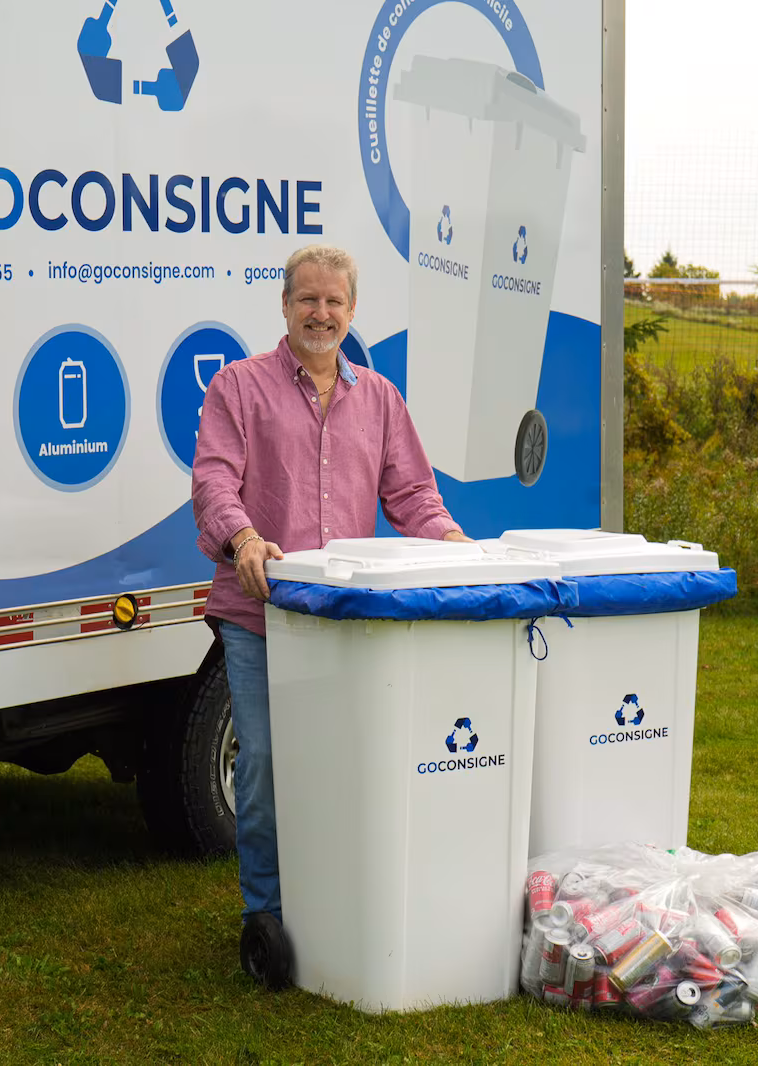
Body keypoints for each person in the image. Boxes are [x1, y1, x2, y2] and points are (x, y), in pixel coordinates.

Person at [191, 243, 471, 983]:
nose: (321, 313)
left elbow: (412, 494)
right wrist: (244, 537)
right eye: (307, 299)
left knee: (345, 764)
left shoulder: (378, 398)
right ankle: (268, 913)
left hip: (347, 620)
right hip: (262, 615)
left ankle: (341, 900)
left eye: (334, 302)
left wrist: (452, 542)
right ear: (284, 306)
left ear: (352, 312)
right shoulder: (237, 388)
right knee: (266, 766)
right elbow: (214, 482)